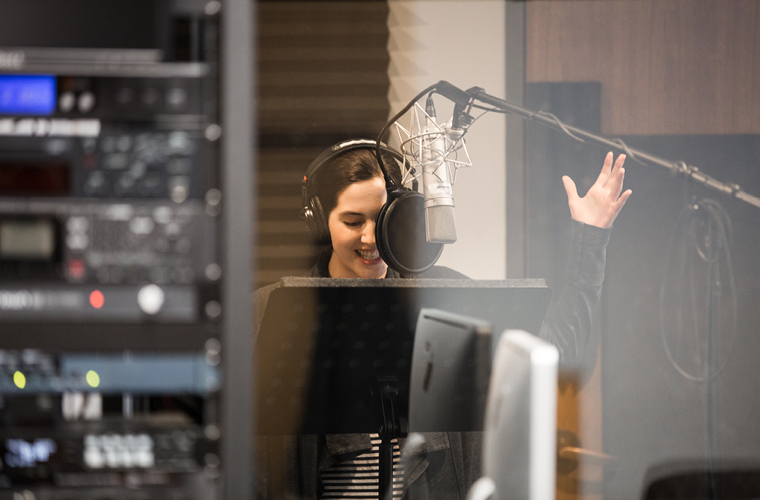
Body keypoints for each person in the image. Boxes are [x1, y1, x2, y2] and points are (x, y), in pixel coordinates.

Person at [254, 140, 631, 499]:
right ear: (321, 223)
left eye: (382, 220)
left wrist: (591, 240)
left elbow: (556, 352)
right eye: (353, 222)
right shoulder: (273, 308)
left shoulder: (442, 294)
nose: (372, 239)